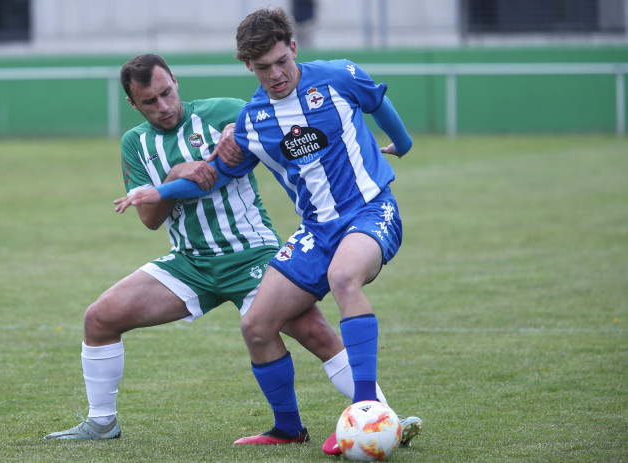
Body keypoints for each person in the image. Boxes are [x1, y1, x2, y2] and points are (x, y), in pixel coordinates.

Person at [115, 7, 423, 454]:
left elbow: (378, 102)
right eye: (263, 67)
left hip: (371, 211)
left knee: (343, 277)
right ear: (248, 66)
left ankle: (366, 413)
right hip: (317, 231)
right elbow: (217, 174)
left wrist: (404, 144)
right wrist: (159, 192)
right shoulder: (253, 121)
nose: (276, 74)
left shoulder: (339, 76)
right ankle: (287, 429)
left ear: (293, 47)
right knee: (257, 325)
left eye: (281, 61)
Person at [43, 53, 394, 443]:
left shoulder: (226, 110)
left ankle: (381, 416)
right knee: (99, 318)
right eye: (149, 102)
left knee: (316, 333)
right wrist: (175, 174)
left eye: (167, 93)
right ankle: (102, 422)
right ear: (132, 104)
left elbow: (277, 124)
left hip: (253, 255)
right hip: (189, 263)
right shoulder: (135, 144)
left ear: (175, 81)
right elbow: (150, 219)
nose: (163, 107)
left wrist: (233, 130)